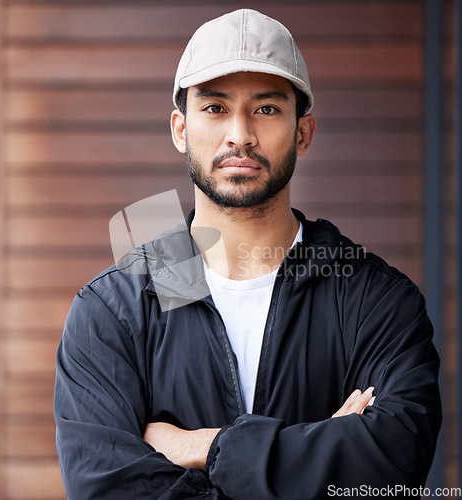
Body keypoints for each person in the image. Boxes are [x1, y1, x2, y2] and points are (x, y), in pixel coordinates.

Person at [54, 9, 442, 500]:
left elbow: (391, 470)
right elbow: (105, 490)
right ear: (180, 129)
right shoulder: (110, 313)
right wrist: (314, 454)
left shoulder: (377, 303)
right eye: (215, 108)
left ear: (302, 132)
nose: (239, 134)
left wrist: (208, 448)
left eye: (266, 109)